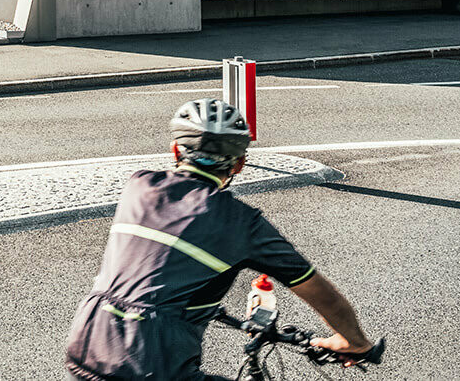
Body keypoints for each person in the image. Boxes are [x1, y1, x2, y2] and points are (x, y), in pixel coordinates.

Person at [65, 98, 373, 381]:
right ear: (239, 165)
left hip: (87, 340)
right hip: (153, 362)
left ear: (175, 150)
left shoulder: (139, 186)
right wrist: (353, 341)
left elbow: (156, 265)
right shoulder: (243, 223)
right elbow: (320, 293)